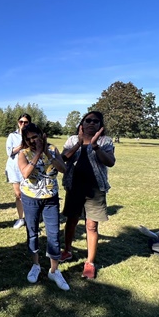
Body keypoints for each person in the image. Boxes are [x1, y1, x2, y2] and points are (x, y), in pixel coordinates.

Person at [61, 111, 116, 279]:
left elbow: (110, 162)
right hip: (74, 187)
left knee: (91, 226)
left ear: (100, 125)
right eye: (88, 120)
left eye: (96, 121)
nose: (91, 123)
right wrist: (79, 144)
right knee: (71, 220)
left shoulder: (105, 141)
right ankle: (67, 250)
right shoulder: (72, 140)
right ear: (82, 123)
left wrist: (95, 146)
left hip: (95, 189)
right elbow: (63, 158)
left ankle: (90, 262)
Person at [18, 123, 69, 290]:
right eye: (29, 139)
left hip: (50, 198)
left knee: (53, 234)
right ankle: (36, 265)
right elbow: (26, 173)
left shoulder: (52, 149)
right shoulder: (23, 153)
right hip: (30, 198)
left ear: (41, 135)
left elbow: (63, 169)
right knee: (32, 232)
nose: (33, 141)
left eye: (35, 137)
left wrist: (47, 152)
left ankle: (54, 271)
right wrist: (38, 153)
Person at [5, 113, 31, 229]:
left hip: (28, 167)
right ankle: (21, 218)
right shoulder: (12, 136)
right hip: (14, 168)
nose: (23, 124)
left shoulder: (32, 135)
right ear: (18, 123)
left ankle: (30, 218)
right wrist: (22, 145)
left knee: (30, 193)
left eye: (26, 122)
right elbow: (9, 152)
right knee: (18, 194)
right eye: (21, 122)